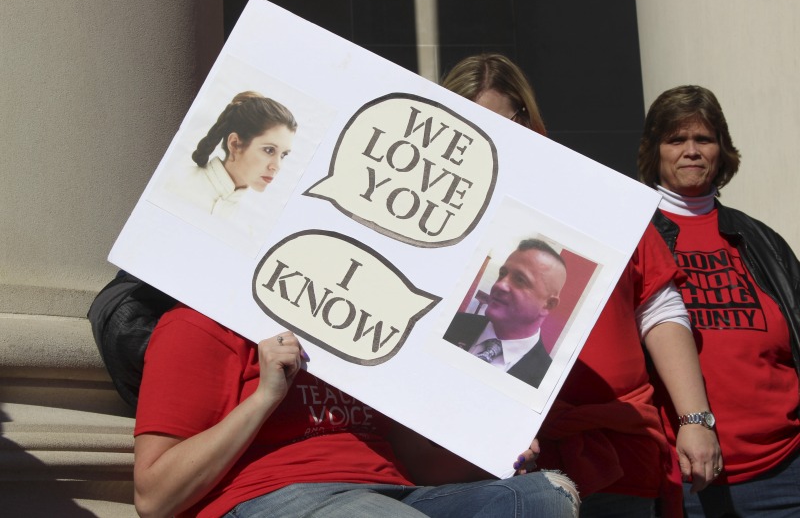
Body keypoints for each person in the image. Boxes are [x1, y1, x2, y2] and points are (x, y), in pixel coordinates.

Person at [442, 53, 721, 517]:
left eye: (500, 123)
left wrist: (696, 420)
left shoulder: (597, 193)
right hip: (492, 462)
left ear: (528, 120)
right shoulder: (441, 217)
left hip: (612, 450)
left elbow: (658, 307)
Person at [133, 304, 580, 517]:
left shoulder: (366, 328)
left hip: (394, 493)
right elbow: (154, 499)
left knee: (545, 498)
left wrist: (495, 451)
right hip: (275, 498)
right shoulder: (197, 323)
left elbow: (413, 461)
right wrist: (265, 398)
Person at [639, 84, 800, 517]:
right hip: (681, 476)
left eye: (704, 139)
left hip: (787, 472)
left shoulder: (763, 240)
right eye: (676, 139)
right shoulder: (630, 234)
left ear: (722, 150)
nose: (691, 150)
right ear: (654, 151)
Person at [444, 238, 568, 388]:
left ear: (548, 304)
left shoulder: (546, 382)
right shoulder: (449, 323)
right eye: (502, 274)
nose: (500, 285)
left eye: (520, 280)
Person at [163, 90, 297, 219]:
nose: (277, 166)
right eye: (269, 150)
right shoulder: (173, 181)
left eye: (283, 155)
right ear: (234, 144)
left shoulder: (247, 226)